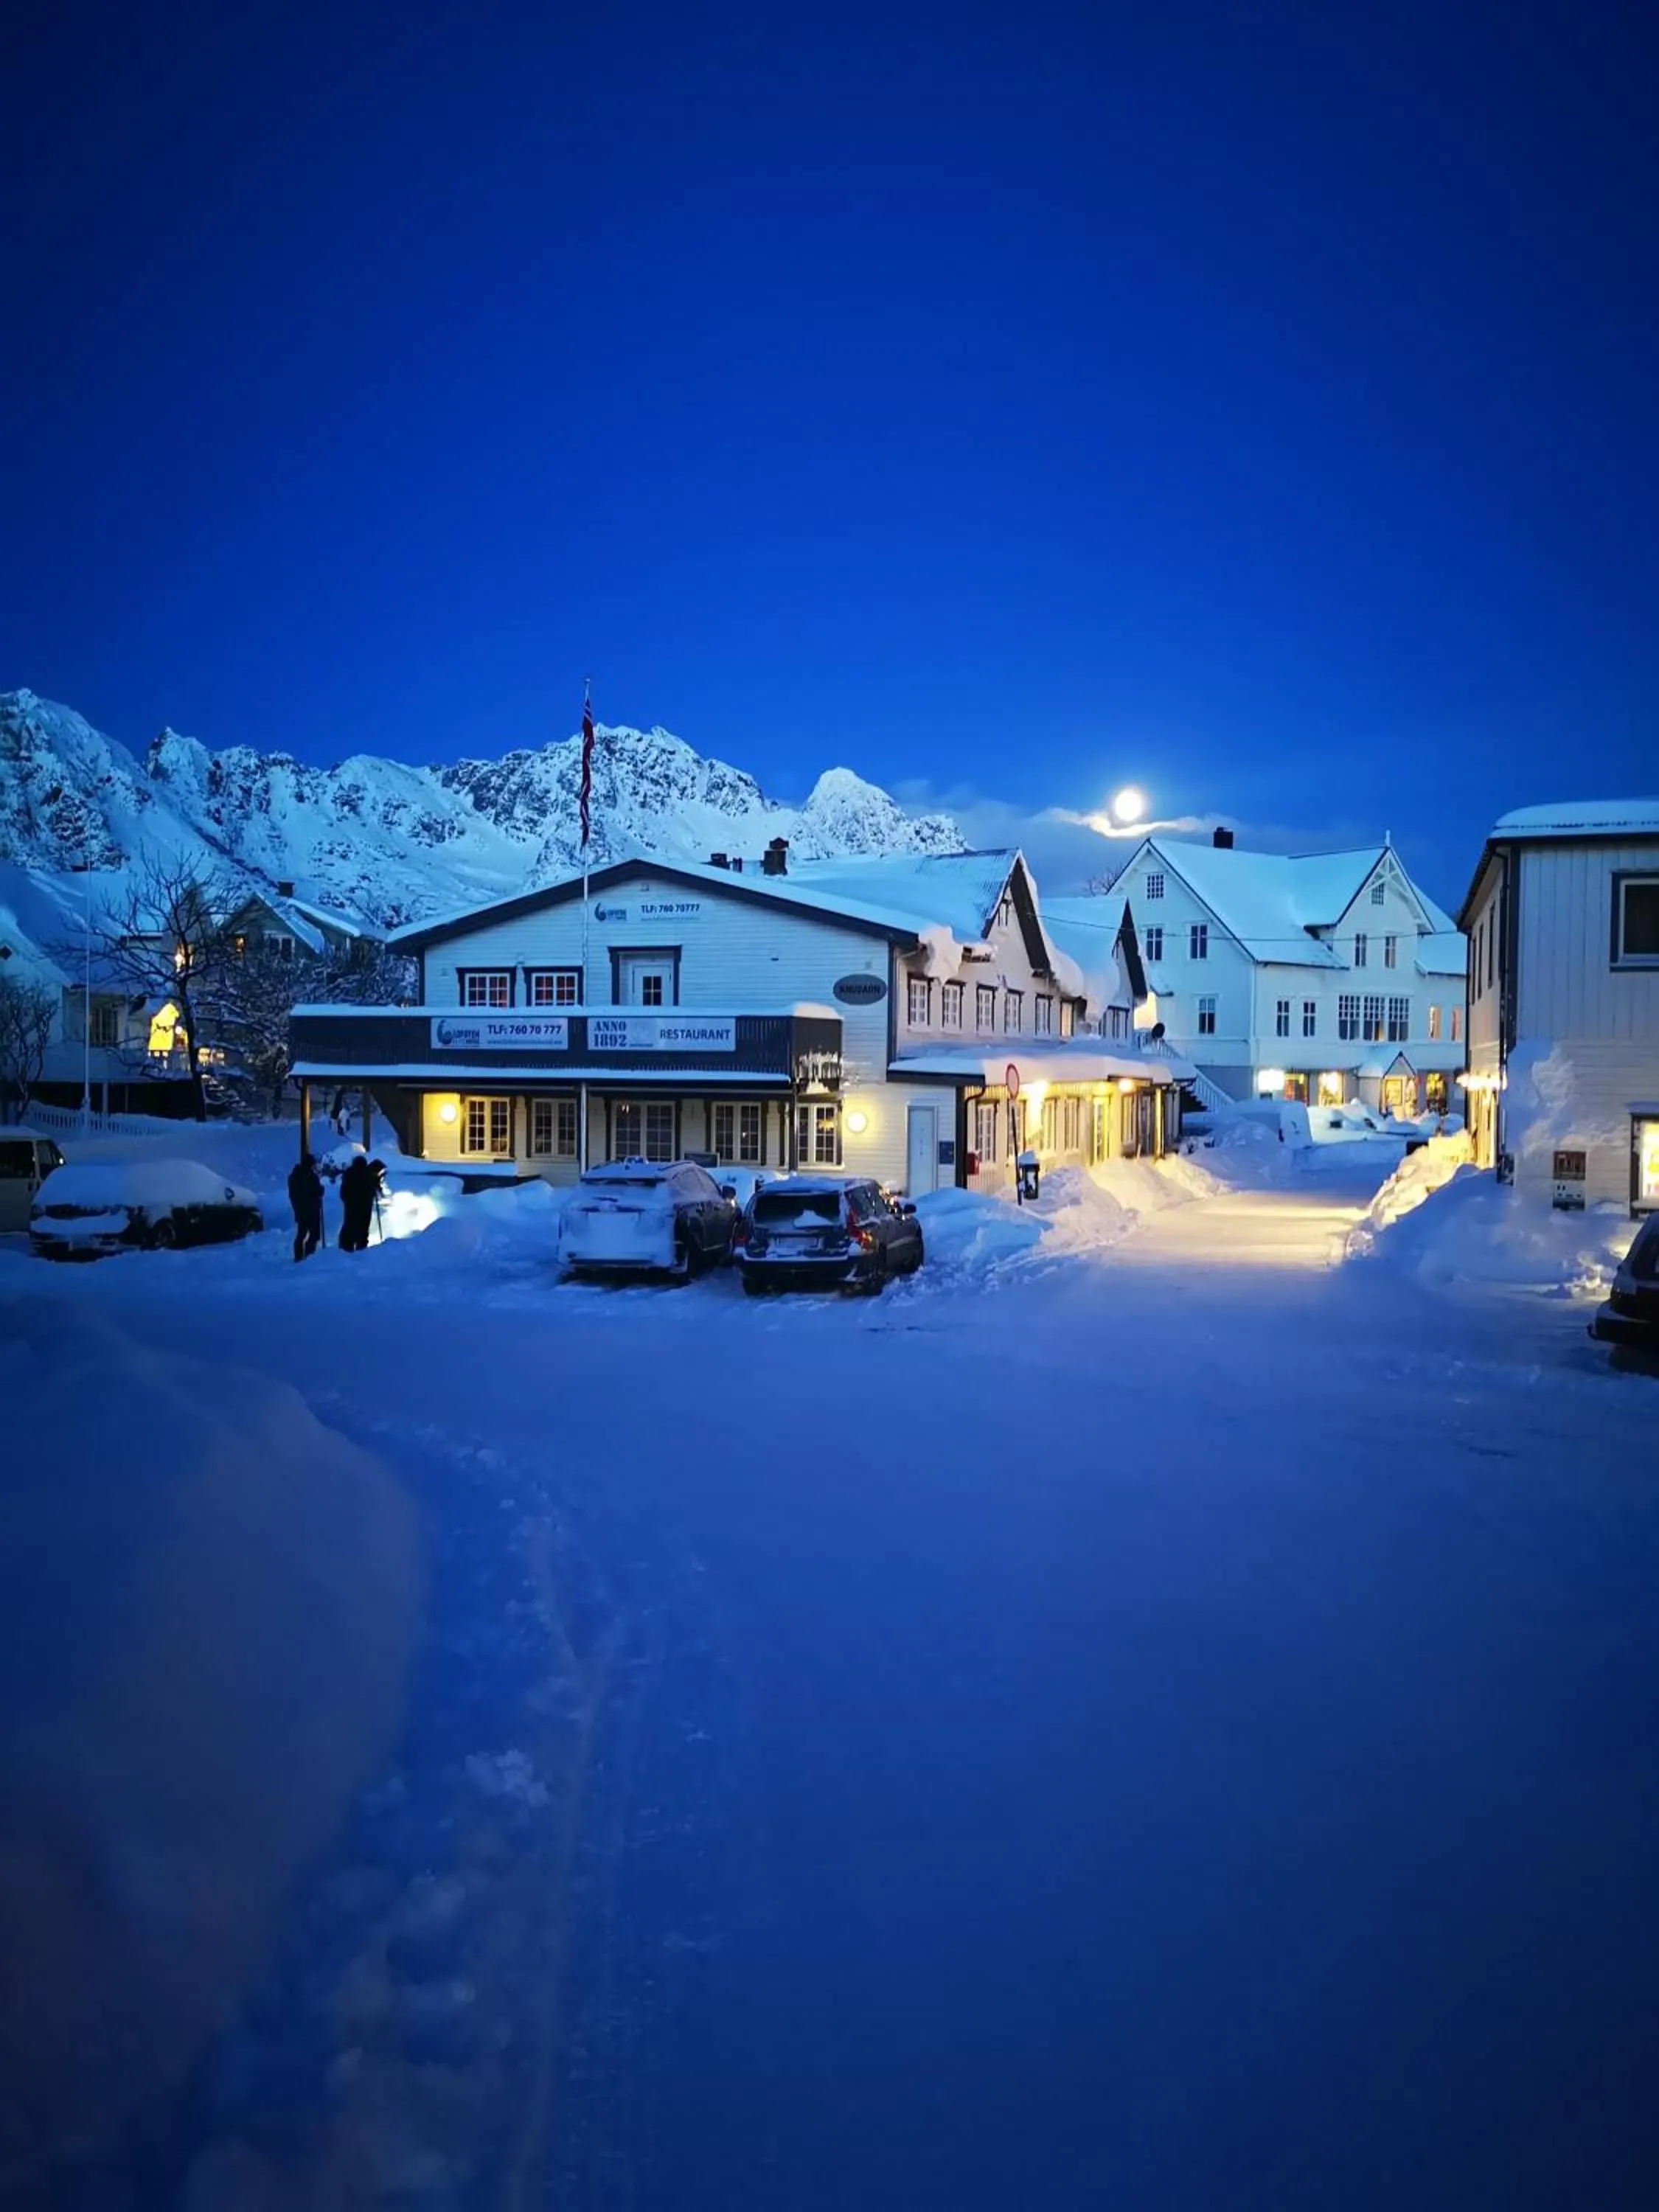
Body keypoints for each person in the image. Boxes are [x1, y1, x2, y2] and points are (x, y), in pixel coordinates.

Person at [288, 1151, 324, 1263]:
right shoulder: (307, 1176)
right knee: (313, 1234)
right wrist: (319, 1191)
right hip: (310, 1210)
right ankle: (307, 1257)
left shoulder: (296, 1175)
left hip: (302, 1210)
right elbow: (309, 1192)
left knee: (302, 1234)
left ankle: (300, 1256)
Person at [338, 1153, 375, 1252]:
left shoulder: (349, 1173)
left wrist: (347, 1201)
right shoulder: (368, 1174)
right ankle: (361, 1250)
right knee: (363, 1229)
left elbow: (343, 1192)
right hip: (365, 1207)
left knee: (349, 1227)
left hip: (351, 1206)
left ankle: (346, 1248)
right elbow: (371, 1191)